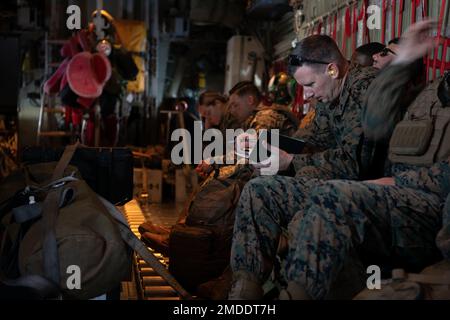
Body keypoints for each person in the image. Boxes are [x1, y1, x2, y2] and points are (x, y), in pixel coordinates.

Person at [279, 20, 448, 300]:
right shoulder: (427, 96)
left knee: (331, 197)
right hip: (405, 195)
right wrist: (403, 60)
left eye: (387, 53)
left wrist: (396, 181)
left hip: (430, 208)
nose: (376, 59)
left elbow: (362, 150)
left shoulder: (379, 89)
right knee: (303, 213)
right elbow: (376, 122)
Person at [228, 34, 379, 300]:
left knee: (263, 190)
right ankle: (243, 292)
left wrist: (291, 162)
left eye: (309, 84)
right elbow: (307, 140)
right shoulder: (330, 94)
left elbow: (354, 164)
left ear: (332, 69)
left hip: (364, 188)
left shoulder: (364, 90)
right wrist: (262, 141)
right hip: (339, 180)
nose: (307, 94)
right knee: (256, 190)